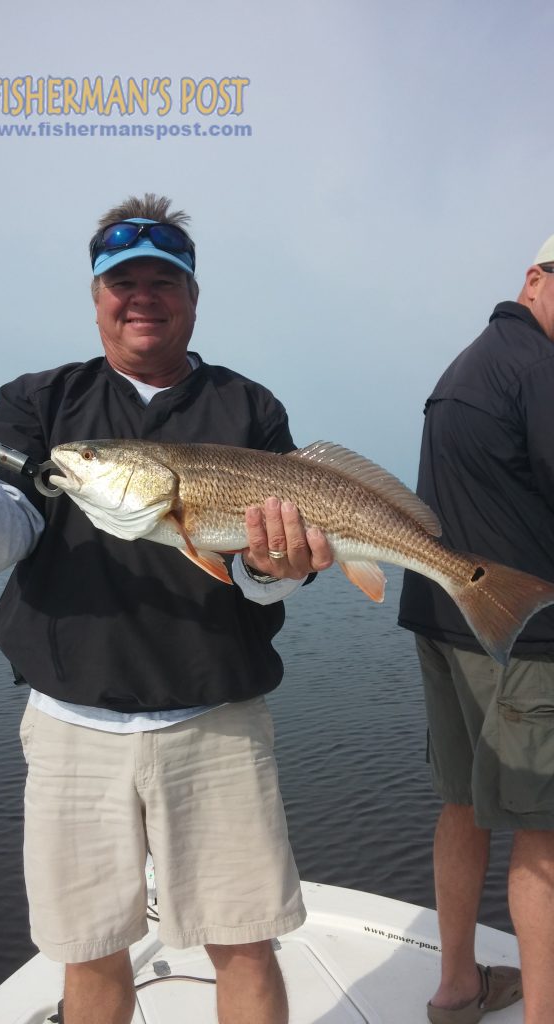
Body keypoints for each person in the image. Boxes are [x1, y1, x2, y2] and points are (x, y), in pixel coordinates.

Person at [0, 193, 334, 1024]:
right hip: (71, 725)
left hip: (218, 720)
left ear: (193, 297)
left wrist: (281, 570)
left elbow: (261, 575)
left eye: (163, 279)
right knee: (89, 951)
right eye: (122, 280)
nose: (142, 295)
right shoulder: (40, 402)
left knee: (245, 943)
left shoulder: (250, 409)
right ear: (96, 297)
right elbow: (4, 533)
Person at [398, 235, 554, 1024]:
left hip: (443, 619)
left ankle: (458, 986)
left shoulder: (470, 364)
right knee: (546, 830)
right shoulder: (539, 371)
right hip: (520, 638)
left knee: (461, 804)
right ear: (535, 280)